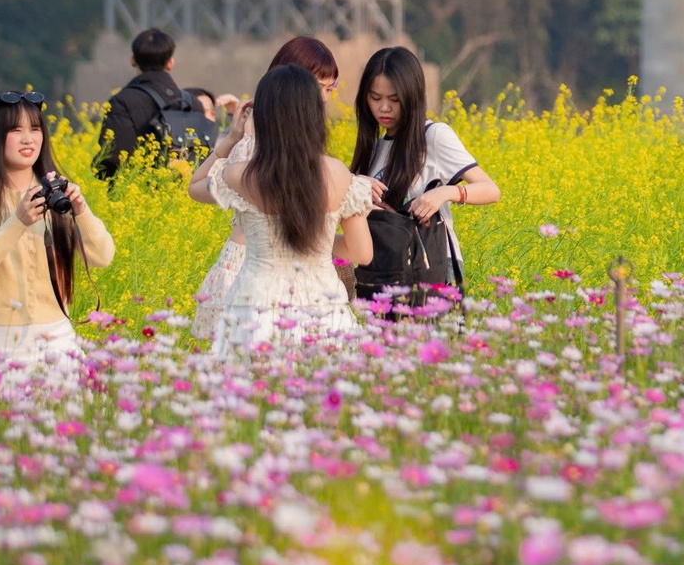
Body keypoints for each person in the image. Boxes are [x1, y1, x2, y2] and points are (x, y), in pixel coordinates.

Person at [206, 65, 375, 355]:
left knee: (251, 394)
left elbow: (196, 185)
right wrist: (315, 238)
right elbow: (362, 253)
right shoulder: (338, 173)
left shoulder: (239, 175)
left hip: (255, 305)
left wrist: (232, 137)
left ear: (264, 116)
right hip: (324, 306)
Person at [187, 36, 341, 340]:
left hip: (275, 265)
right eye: (319, 87)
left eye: (329, 89)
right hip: (253, 266)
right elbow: (198, 189)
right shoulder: (257, 131)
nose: (323, 98)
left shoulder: (274, 129)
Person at [0, 89, 115, 369]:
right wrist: (18, 221)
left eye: (35, 129)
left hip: (56, 338)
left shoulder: (55, 195)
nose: (28, 138)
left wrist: (80, 211)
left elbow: (102, 257)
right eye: (15, 129)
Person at [350, 45, 500, 307]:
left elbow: (491, 190)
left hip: (429, 269)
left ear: (412, 96)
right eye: (375, 98)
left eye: (394, 99)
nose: (384, 107)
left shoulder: (433, 136)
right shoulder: (372, 149)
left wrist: (446, 193)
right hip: (383, 270)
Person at [93, 28, 215, 178]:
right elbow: (202, 158)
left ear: (133, 60)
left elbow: (114, 158)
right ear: (170, 63)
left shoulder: (121, 102)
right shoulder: (192, 103)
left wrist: (97, 168)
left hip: (134, 194)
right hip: (185, 195)